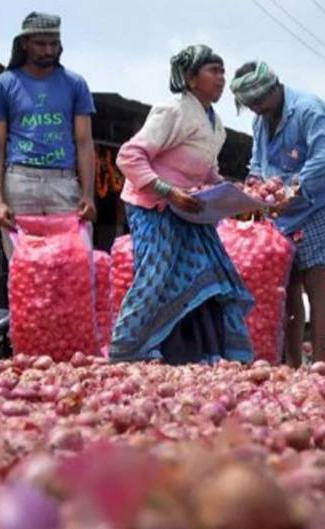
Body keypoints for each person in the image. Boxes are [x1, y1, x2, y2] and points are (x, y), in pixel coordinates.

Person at [110, 45, 254, 364]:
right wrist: (168, 191)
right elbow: (129, 156)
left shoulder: (215, 124)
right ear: (191, 79)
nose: (221, 78)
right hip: (154, 206)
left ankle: (192, 352)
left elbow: (206, 170)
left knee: (208, 273)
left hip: (187, 209)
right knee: (157, 275)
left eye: (222, 71)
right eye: (213, 71)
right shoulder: (173, 110)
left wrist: (232, 189)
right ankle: (125, 351)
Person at [231, 61, 325, 368]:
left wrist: (293, 189)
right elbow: (258, 162)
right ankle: (293, 363)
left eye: (258, 101)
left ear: (274, 86)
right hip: (281, 211)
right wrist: (255, 185)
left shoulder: (309, 109)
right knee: (289, 283)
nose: (255, 109)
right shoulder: (261, 120)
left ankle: (319, 363)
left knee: (314, 279)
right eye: (250, 105)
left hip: (317, 203)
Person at [0, 11, 97, 259]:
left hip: (64, 183)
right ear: (24, 43)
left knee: (72, 262)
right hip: (20, 183)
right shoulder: (3, 85)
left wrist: (88, 194)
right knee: (24, 266)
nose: (48, 50)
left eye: (53, 44)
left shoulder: (75, 84)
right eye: (40, 44)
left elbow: (84, 143)